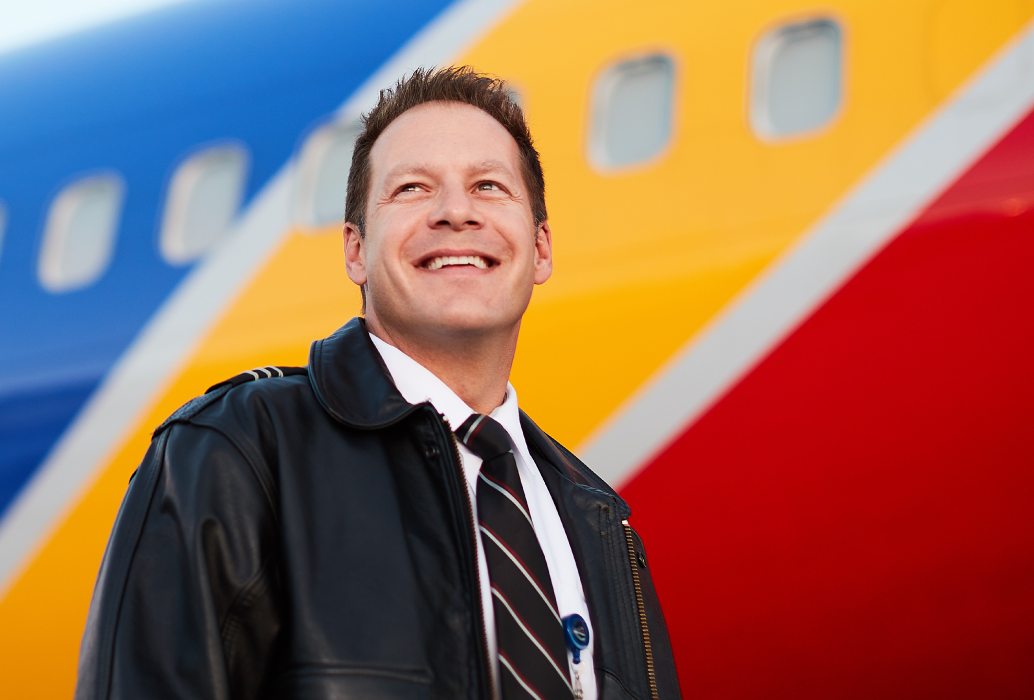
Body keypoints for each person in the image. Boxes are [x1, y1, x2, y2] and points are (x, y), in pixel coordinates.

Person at [76, 66, 681, 700]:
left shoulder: (595, 516)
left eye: (489, 186)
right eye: (414, 188)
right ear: (355, 251)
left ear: (541, 248)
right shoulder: (235, 452)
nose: (455, 212)